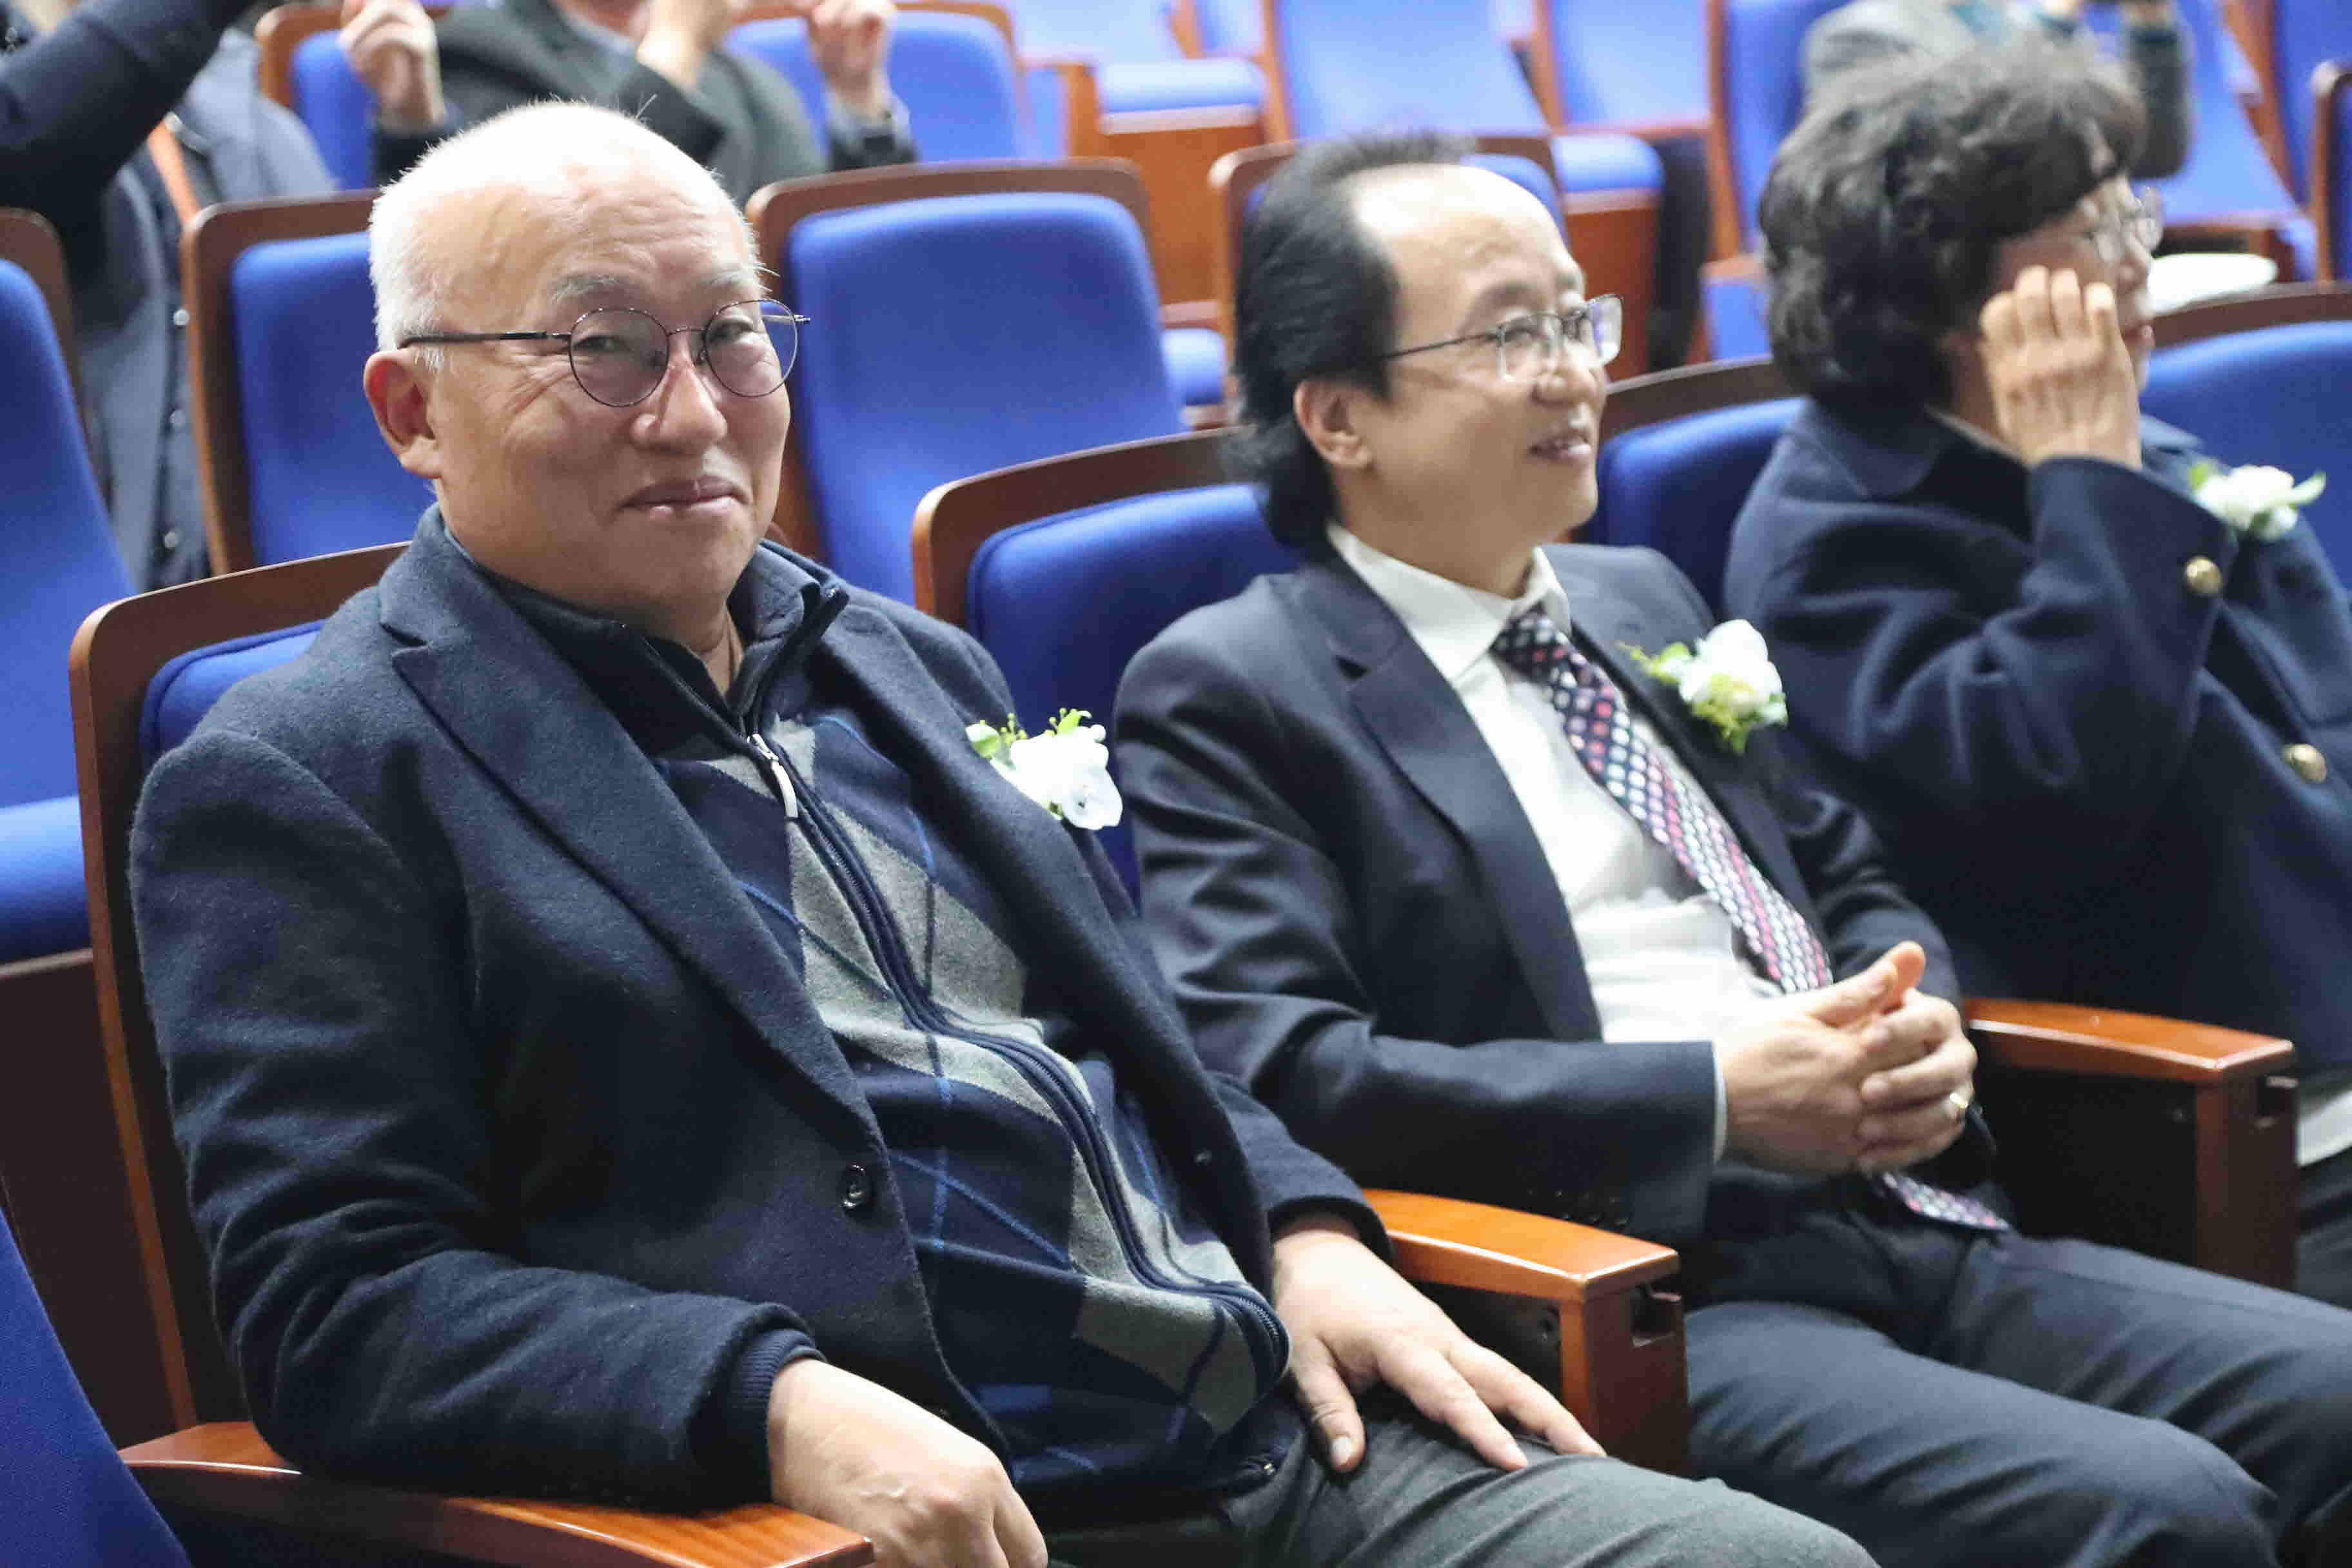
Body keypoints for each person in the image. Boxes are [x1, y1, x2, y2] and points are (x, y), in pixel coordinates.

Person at [128, 102, 1870, 1568]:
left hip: (1275, 1427)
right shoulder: (308, 774)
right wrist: (768, 1402)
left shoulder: (904, 662)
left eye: (730, 336)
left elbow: (1153, 1039)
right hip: (919, 1516)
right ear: (411, 412)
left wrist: (1303, 1225)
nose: (693, 409)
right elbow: (337, 1310)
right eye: (601, 351)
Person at [1112, 127, 2352, 1568]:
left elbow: (1845, 866)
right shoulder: (1235, 686)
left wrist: (1914, 1016)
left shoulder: (1636, 593)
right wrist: (1710, 1100)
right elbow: (1290, 1067)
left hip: (1899, 1205)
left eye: (1576, 318)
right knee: (2163, 1508)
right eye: (1510, 336)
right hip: (1647, 1280)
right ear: (1339, 417)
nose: (1576, 374)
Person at [1725, 43, 2352, 1309]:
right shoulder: (1834, 543)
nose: (2136, 260)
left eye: (2133, 212)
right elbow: (2065, 794)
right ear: (1942, 295)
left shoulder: (2133, 441)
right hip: (2228, 1115)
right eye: (2090, 229)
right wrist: (2088, 486)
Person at [0, 0, 332, 587]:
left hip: (269, 556)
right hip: (80, 565)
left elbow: (347, 321)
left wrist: (410, 134)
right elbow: (21, 158)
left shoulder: (230, 82)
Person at [341, 0, 912, 204]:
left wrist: (856, 94)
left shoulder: (747, 76)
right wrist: (676, 46)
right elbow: (584, 223)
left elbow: (826, 242)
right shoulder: (477, 51)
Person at [1805, 0, 2190, 178]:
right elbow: (1975, 175)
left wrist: (2150, 24)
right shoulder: (1857, 38)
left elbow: (2153, 159)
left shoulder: (2025, 20)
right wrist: (2054, 26)